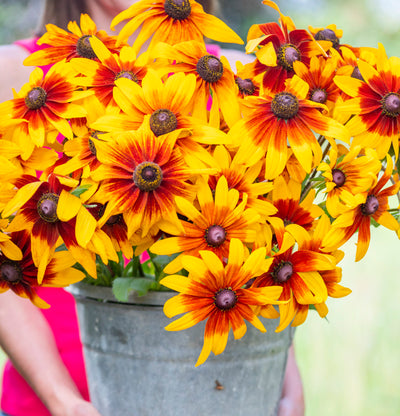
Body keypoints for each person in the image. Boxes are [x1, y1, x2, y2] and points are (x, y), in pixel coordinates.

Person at [0, 1, 304, 415]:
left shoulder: (234, 75)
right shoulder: (15, 71)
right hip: (55, 389)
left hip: (213, 387)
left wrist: (282, 372)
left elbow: (263, 241)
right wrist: (63, 400)